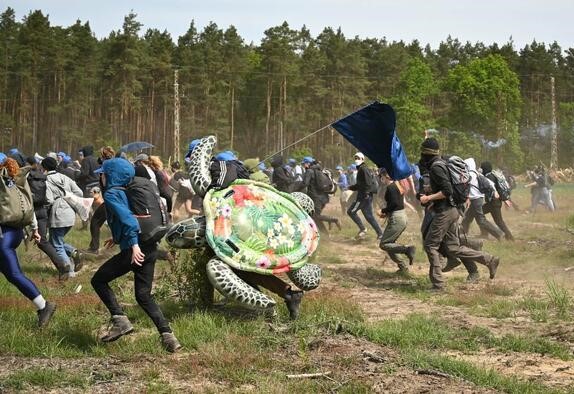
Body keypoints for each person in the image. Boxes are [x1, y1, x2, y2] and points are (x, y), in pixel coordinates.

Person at [91, 158, 181, 352]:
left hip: (137, 249)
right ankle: (169, 336)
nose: (101, 177)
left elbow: (130, 221)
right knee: (143, 295)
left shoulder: (113, 193)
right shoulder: (127, 190)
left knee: (98, 280)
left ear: (111, 175)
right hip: (149, 247)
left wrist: (133, 246)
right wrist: (117, 238)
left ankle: (120, 321)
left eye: (103, 174)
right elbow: (130, 217)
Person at [418, 138, 500, 291]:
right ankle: (489, 260)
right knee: (453, 248)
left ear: (426, 153)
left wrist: (428, 198)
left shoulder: (436, 167)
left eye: (422, 152)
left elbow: (447, 190)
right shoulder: (441, 164)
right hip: (452, 210)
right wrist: (430, 191)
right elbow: (446, 187)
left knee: (430, 245)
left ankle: (438, 285)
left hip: (445, 212)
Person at [0, 154, 56, 327]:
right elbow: (28, 207)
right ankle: (42, 306)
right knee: (11, 275)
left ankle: (45, 306)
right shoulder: (15, 182)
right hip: (15, 233)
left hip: (3, 237)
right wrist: (35, 229)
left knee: (15, 274)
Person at [23, 156, 69, 279]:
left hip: (30, 211)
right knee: (43, 241)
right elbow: (48, 199)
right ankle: (62, 266)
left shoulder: (24, 177)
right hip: (42, 211)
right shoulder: (42, 177)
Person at [43, 157, 84, 276]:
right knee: (56, 241)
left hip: (58, 214)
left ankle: (69, 273)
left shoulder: (47, 180)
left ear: (44, 168)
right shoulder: (64, 177)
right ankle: (74, 253)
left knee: (56, 245)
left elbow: (49, 200)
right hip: (70, 213)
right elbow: (80, 193)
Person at [378, 170, 416, 273]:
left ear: (386, 176)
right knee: (390, 245)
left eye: (381, 176)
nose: (380, 178)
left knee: (384, 244)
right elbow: (398, 203)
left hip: (397, 218)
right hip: (400, 216)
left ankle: (407, 250)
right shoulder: (397, 185)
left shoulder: (391, 187)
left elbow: (394, 204)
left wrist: (383, 210)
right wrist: (386, 213)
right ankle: (403, 268)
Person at [461, 158, 504, 240]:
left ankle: (499, 234)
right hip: (477, 198)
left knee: (481, 220)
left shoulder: (470, 174)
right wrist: (495, 191)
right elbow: (490, 183)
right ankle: (462, 235)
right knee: (467, 218)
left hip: (476, 199)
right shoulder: (477, 173)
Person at [347, 152, 383, 240]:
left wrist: (366, 193)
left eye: (358, 158)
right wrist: (351, 187)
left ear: (363, 159)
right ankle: (380, 233)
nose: (356, 160)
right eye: (355, 158)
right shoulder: (362, 169)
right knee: (369, 216)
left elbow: (368, 183)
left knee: (351, 211)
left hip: (363, 196)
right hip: (366, 196)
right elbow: (360, 184)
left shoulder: (363, 169)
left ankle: (363, 229)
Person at [300, 156, 340, 234]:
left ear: (307, 163)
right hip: (323, 198)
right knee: (315, 217)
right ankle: (326, 236)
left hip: (316, 198)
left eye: (304, 164)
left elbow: (305, 183)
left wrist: (294, 188)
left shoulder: (310, 171)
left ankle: (333, 219)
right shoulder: (319, 170)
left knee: (315, 216)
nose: (303, 166)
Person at [480, 161, 514, 241]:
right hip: (493, 203)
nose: (481, 169)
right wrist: (505, 199)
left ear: (485, 168)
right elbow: (499, 188)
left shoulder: (489, 177)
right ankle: (485, 233)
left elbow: (497, 189)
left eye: (482, 168)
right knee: (479, 215)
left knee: (498, 221)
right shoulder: (492, 175)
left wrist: (505, 199)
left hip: (494, 203)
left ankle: (510, 237)